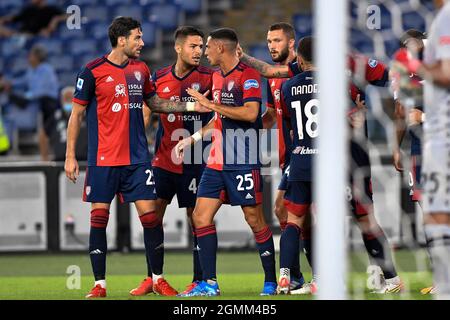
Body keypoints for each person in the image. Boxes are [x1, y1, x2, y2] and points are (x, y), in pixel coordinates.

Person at [64, 17, 207, 298]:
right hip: (103, 160)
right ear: (121, 40)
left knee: (151, 217)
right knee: (99, 219)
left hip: (137, 160)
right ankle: (100, 285)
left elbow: (156, 104)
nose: (142, 43)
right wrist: (71, 156)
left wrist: (192, 104)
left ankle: (157, 279)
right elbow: (76, 114)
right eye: (137, 38)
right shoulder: (92, 71)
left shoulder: (141, 69)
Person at [174, 28, 277, 296]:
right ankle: (210, 283)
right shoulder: (217, 77)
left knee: (255, 220)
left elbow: (250, 113)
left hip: (243, 160)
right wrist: (193, 139)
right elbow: (218, 120)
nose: (204, 51)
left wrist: (211, 105)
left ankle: (270, 281)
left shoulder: (249, 76)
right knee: (200, 216)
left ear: (220, 48)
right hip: (217, 162)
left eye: (207, 46)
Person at [129, 26, 214, 297]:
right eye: (193, 46)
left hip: (196, 161)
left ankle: (199, 280)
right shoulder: (160, 76)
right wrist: (138, 147)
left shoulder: (209, 78)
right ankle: (152, 277)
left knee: (197, 219)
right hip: (163, 160)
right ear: (178, 47)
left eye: (201, 47)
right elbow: (146, 110)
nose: (198, 51)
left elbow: (218, 116)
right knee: (152, 217)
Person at [393, 0, 450, 299]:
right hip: (419, 151)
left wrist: (424, 116)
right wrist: (395, 146)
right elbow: (402, 112)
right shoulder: (406, 74)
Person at [261, 22, 305, 291]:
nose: (271, 46)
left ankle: (302, 274)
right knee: (288, 212)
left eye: (276, 41)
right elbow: (269, 117)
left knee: (286, 209)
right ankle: (298, 275)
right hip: (286, 155)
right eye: (268, 41)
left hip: (304, 153)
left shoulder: (301, 71)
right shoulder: (271, 78)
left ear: (291, 43)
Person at [275, 36, 318, 295]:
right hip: (326, 162)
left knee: (293, 221)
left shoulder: (289, 86)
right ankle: (322, 278)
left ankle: (285, 276)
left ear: (299, 60)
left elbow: (288, 127)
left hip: (300, 159)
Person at [0, 44, 59, 161]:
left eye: (31, 55)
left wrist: (27, 96)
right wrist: (8, 83)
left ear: (37, 57)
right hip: (38, 102)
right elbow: (22, 81)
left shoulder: (46, 69)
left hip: (49, 102)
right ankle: (44, 155)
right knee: (14, 97)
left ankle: (48, 153)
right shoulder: (31, 71)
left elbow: (43, 89)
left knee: (47, 129)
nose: (28, 58)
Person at [50, 86, 87, 161]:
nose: (69, 101)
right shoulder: (55, 117)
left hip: (84, 160)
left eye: (71, 98)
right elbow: (43, 135)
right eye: (66, 98)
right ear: (61, 100)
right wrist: (45, 158)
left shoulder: (87, 116)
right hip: (60, 160)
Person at [0, 0, 67, 38]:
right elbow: (15, 18)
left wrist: (56, 19)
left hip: (35, 36)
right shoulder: (29, 9)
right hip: (19, 35)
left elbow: (70, 16)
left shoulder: (51, 9)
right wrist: (3, 19)